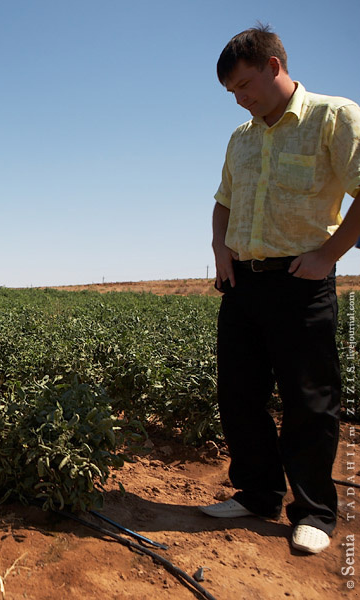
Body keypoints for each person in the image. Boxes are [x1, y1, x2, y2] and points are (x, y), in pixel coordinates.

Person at [202, 25, 360, 555]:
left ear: (274, 67)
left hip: (301, 281)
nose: (240, 100)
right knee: (239, 393)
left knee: (309, 400)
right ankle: (258, 494)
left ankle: (314, 511)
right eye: (232, 94)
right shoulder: (241, 138)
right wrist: (221, 250)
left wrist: (326, 256)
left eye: (245, 86)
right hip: (242, 281)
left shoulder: (333, 117)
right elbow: (224, 201)